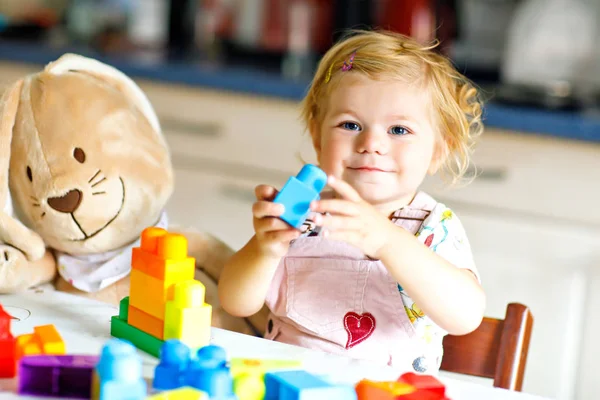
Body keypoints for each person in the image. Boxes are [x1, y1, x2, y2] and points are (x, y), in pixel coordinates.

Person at [218, 30, 486, 373]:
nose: (371, 142)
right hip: (286, 384)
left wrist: (387, 241)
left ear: (438, 151)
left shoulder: (435, 226)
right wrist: (265, 249)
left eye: (399, 130)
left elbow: (465, 316)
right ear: (317, 137)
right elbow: (236, 302)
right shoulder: (303, 214)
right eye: (350, 124)